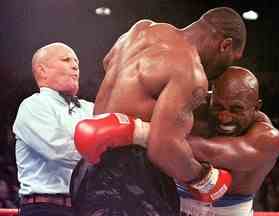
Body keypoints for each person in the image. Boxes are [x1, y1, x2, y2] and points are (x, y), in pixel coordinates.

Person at [71, 7, 247, 216]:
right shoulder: (191, 71)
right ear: (225, 45)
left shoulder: (141, 30)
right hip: (134, 181)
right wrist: (204, 178)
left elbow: (108, 60)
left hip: (87, 172)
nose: (226, 69)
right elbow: (163, 149)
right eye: (232, 59)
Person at [177, 66, 279, 216]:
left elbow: (212, 152)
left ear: (256, 107)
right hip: (175, 202)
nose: (224, 116)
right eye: (218, 106)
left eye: (236, 109)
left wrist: (148, 134)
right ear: (211, 97)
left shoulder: (268, 139)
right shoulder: (195, 107)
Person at [13, 42, 94, 216]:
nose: (75, 66)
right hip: (45, 209)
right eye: (66, 60)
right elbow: (59, 150)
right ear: (43, 71)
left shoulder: (90, 109)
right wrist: (104, 154)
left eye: (77, 63)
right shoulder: (33, 106)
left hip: (85, 207)